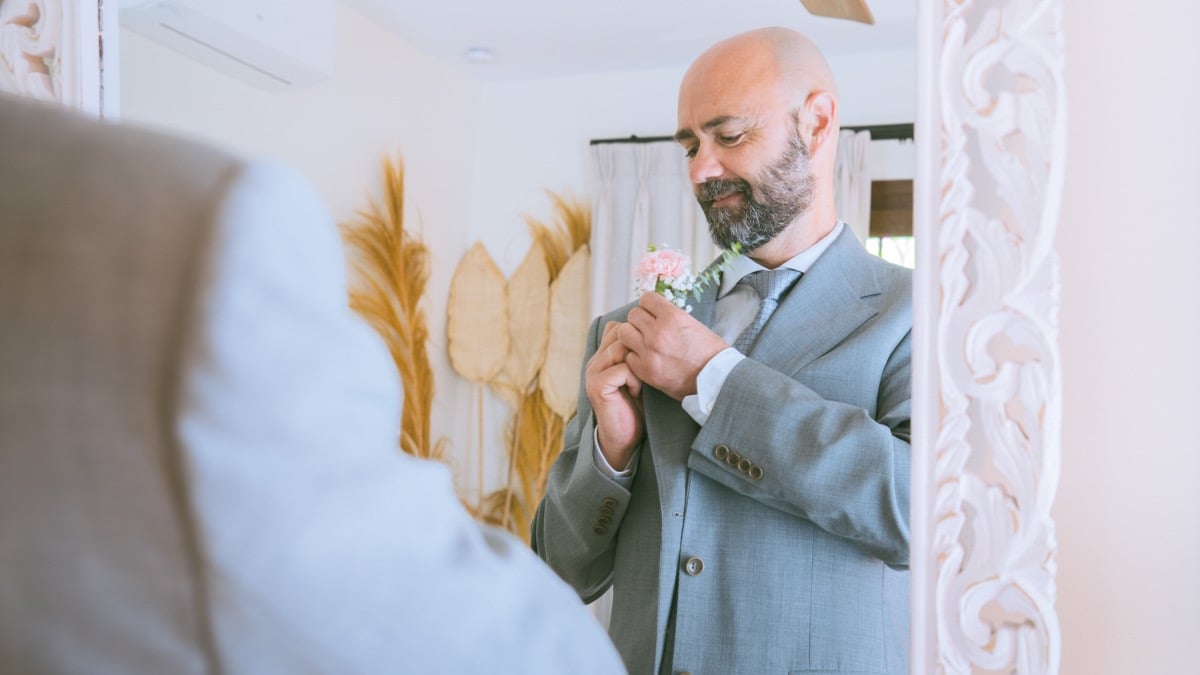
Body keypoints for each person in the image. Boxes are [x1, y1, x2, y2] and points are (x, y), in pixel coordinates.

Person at [0, 92, 625, 674]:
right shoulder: (206, 224)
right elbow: (540, 604)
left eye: (703, 137)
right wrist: (612, 452)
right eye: (676, 140)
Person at [532, 27, 911, 674]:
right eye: (689, 146)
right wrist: (611, 454)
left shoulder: (918, 313)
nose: (700, 170)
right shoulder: (626, 330)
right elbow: (559, 570)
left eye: (729, 136)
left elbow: (919, 515)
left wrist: (711, 378)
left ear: (818, 123)